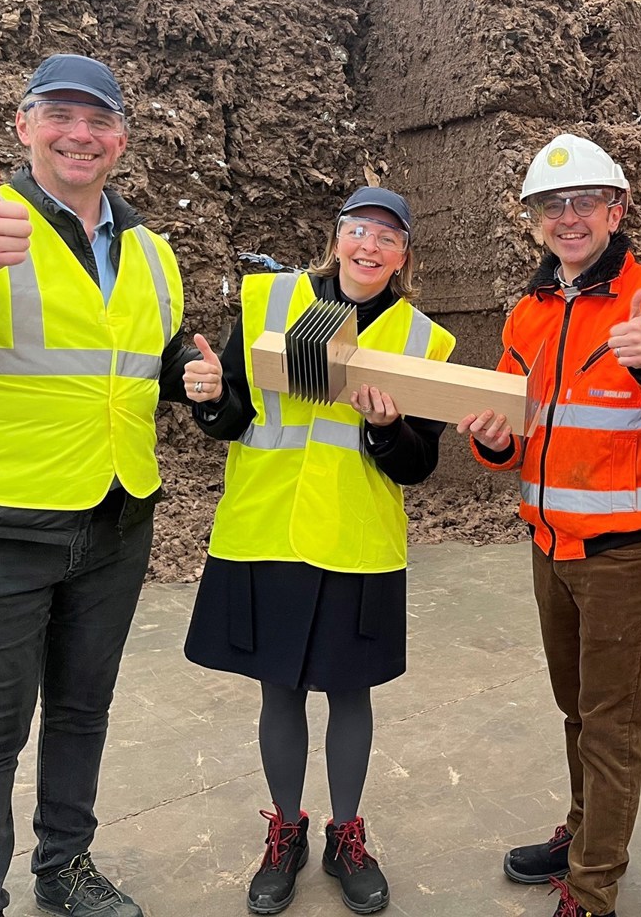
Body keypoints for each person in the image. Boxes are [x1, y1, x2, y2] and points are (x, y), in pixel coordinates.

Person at [0, 54, 193, 917]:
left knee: (82, 710)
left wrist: (190, 379)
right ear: (23, 126)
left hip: (114, 518)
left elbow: (138, 362)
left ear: (121, 139)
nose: (79, 134)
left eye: (99, 120)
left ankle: (65, 866)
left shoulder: (151, 252)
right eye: (59, 114)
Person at [457, 134, 641, 917]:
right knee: (576, 709)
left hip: (624, 556)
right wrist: (494, 439)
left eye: (585, 202)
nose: (569, 218)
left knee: (610, 725)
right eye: (552, 205)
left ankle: (592, 888)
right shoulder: (530, 311)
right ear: (534, 220)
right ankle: (583, 831)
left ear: (617, 210)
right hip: (550, 545)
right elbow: (514, 432)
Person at [182, 186, 454, 915]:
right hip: (266, 529)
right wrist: (210, 396)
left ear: (404, 256)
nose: (370, 246)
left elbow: (419, 465)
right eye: (359, 230)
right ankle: (286, 832)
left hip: (355, 539)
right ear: (336, 237)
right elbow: (233, 416)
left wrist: (388, 429)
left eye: (388, 237)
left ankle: (347, 836)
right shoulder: (269, 303)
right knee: (279, 688)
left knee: (349, 691)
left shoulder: (422, 341)